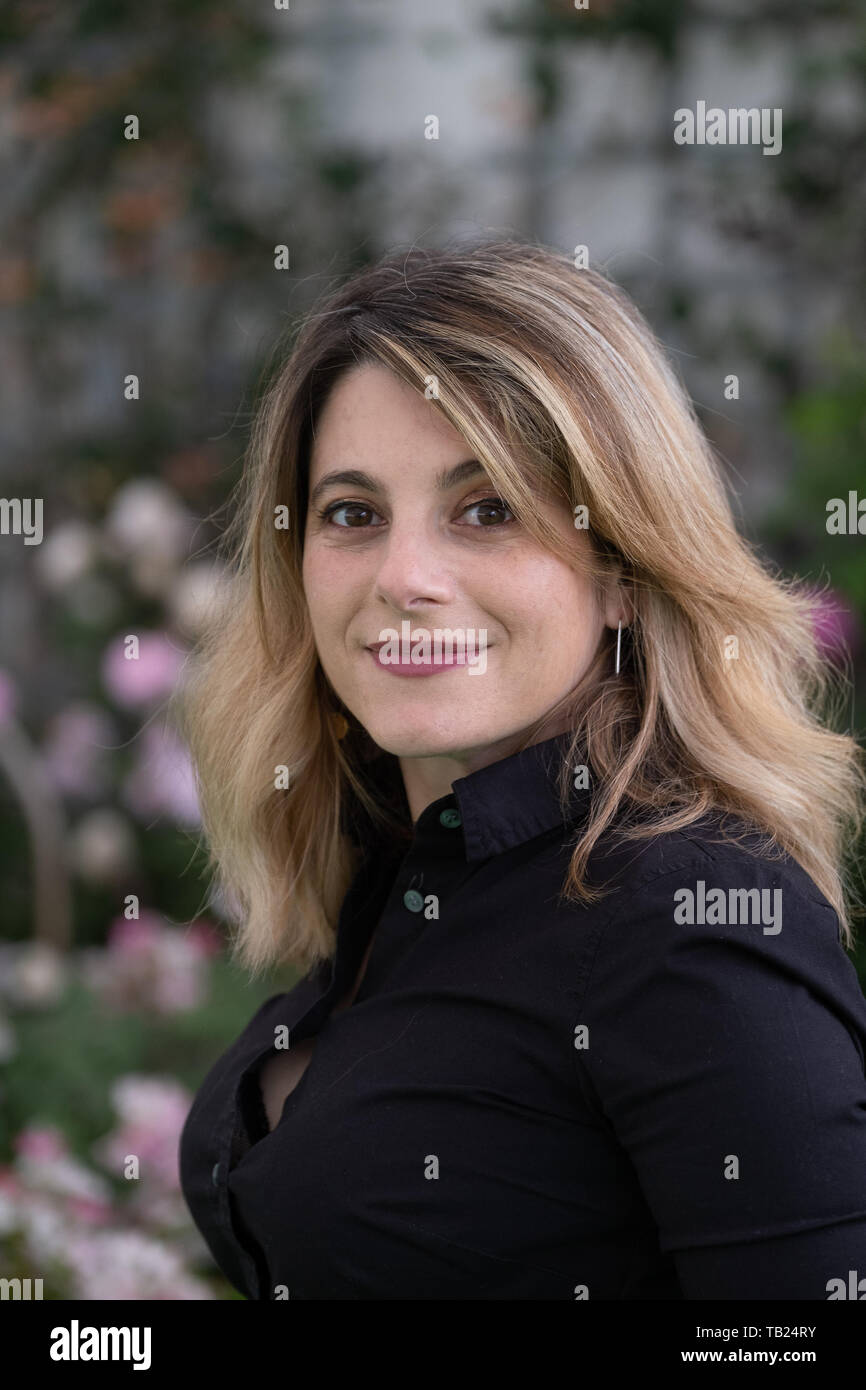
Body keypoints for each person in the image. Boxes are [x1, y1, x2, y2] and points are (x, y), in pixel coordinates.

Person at [177, 239, 866, 1300]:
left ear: (625, 573)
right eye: (352, 514)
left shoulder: (688, 920)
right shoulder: (401, 868)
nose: (403, 577)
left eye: (486, 507)